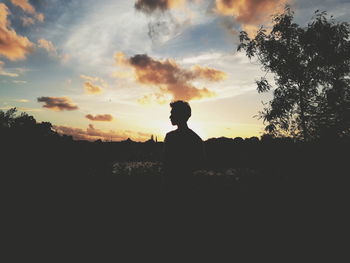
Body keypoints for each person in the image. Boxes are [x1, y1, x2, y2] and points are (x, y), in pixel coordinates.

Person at [163, 100, 204, 192]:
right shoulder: (195, 138)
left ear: (179, 115)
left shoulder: (171, 137)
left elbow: (166, 163)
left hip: (172, 185)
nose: (170, 116)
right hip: (189, 186)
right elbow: (199, 163)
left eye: (172, 113)